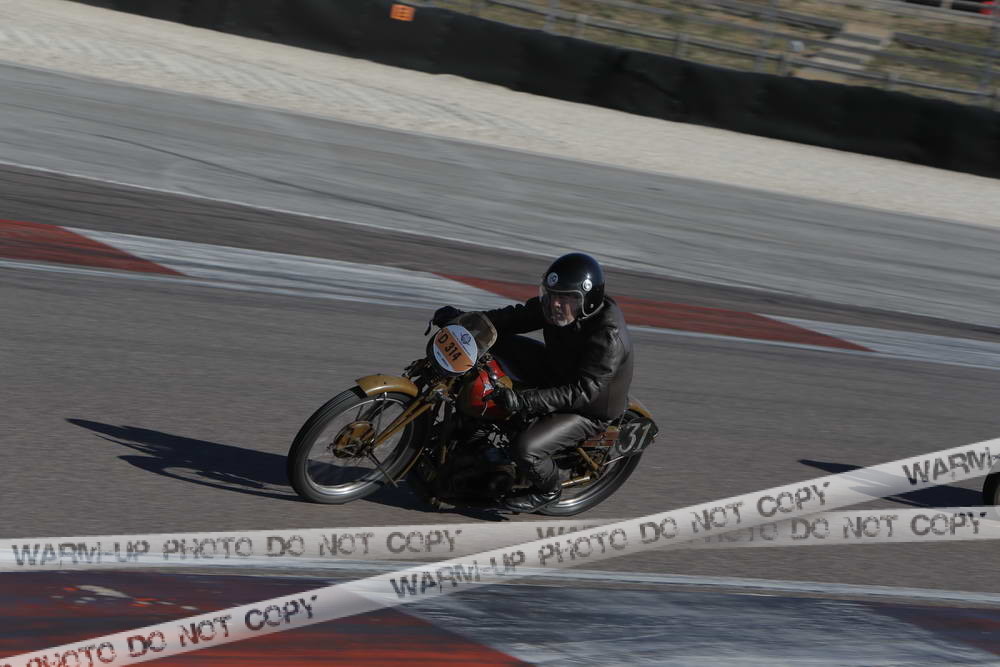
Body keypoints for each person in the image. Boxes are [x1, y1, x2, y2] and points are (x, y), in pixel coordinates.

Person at [432, 252, 634, 512]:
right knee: (495, 341)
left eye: (566, 298)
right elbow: (513, 318)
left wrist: (523, 400)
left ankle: (548, 490)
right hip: (557, 370)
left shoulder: (608, 337)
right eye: (552, 294)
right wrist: (464, 321)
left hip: (588, 407)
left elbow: (583, 392)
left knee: (526, 448)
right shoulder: (555, 308)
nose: (556, 304)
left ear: (588, 301)